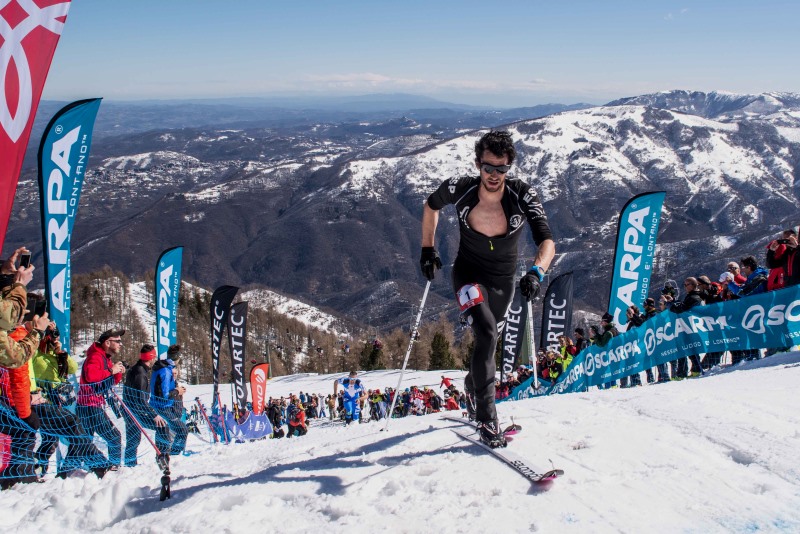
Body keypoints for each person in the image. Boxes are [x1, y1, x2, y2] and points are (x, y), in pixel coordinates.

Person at [420, 130, 555, 448]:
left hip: (503, 282)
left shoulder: (522, 195)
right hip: (467, 275)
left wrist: (537, 272)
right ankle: (487, 419)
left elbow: (546, 239)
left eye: (501, 169)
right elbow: (430, 206)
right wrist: (427, 249)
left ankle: (471, 385)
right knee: (487, 333)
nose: (494, 175)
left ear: (509, 168)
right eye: (488, 168)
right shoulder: (461, 189)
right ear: (478, 164)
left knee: (488, 335)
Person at [77, 328, 126, 470]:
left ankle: (75, 469)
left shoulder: (105, 358)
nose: (120, 344)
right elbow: (92, 377)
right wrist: (112, 371)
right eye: (117, 341)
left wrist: (118, 373)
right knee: (114, 436)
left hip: (90, 405)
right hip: (90, 405)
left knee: (85, 441)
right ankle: (113, 468)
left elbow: (109, 381)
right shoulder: (95, 357)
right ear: (107, 342)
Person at [123, 345, 168, 466]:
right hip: (134, 411)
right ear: (151, 357)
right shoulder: (140, 374)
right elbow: (140, 400)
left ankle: (130, 465)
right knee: (161, 426)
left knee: (133, 440)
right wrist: (154, 415)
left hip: (132, 410)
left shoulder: (138, 369)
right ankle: (162, 459)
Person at [149, 346, 189, 455]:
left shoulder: (164, 367)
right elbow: (164, 395)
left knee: (166, 433)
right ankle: (174, 455)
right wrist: (177, 391)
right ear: (178, 358)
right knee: (182, 430)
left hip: (161, 406)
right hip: (162, 407)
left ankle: (167, 454)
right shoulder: (165, 371)